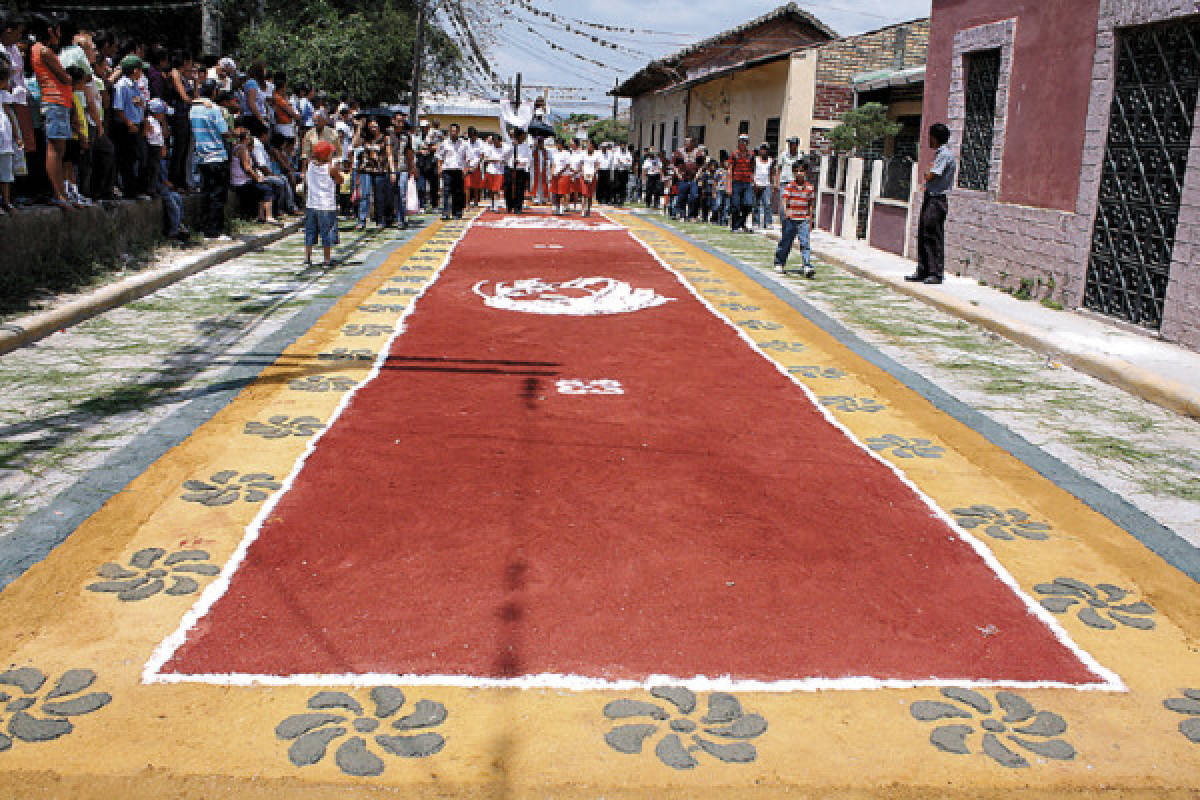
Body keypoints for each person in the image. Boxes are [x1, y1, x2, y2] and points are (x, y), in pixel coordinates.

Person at [31, 13, 76, 210]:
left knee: (59, 149)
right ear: (50, 31)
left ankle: (61, 193)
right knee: (55, 149)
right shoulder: (44, 51)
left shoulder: (38, 50)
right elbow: (65, 77)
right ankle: (58, 193)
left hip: (57, 103)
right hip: (54, 102)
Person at [907, 122, 956, 285]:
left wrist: (927, 172)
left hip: (937, 199)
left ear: (935, 138)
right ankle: (923, 270)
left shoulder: (945, 155)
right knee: (923, 234)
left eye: (930, 137)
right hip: (931, 197)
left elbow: (931, 175)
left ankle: (935, 272)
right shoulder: (939, 154)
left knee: (933, 235)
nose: (928, 140)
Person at [189, 78, 229, 240]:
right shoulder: (214, 109)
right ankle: (215, 231)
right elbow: (224, 132)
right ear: (214, 92)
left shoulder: (193, 109)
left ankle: (204, 228)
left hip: (202, 157)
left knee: (206, 193)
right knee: (218, 195)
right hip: (217, 156)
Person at [775, 159, 815, 278]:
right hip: (791, 219)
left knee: (805, 243)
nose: (799, 173)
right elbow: (785, 200)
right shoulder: (789, 186)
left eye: (802, 171)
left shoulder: (809, 188)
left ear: (806, 172)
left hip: (804, 219)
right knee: (786, 242)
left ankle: (807, 265)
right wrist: (786, 212)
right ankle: (779, 262)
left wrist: (810, 219)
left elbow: (811, 205)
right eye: (796, 171)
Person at [304, 139, 342, 266]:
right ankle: (326, 259)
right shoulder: (330, 168)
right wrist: (336, 167)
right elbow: (340, 180)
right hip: (326, 205)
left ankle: (307, 257)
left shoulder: (310, 165)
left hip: (311, 204)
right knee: (327, 232)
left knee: (310, 232)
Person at [352, 117, 391, 228]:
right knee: (365, 194)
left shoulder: (384, 138)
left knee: (379, 196)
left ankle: (379, 220)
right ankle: (362, 220)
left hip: (380, 169)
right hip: (365, 169)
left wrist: (391, 169)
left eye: (375, 126)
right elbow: (354, 144)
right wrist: (359, 127)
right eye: (370, 126)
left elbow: (388, 154)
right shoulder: (365, 137)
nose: (373, 129)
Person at [230, 126, 274, 223]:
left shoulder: (235, 147)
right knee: (267, 189)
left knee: (263, 187)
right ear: (246, 138)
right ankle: (268, 216)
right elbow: (247, 168)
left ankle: (261, 216)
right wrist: (257, 178)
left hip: (237, 181)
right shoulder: (242, 149)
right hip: (242, 182)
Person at [436, 122, 468, 219]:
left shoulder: (463, 144)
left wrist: (466, 169)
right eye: (452, 131)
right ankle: (446, 212)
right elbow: (439, 157)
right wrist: (439, 168)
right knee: (446, 191)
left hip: (458, 170)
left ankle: (457, 212)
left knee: (457, 192)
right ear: (449, 131)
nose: (453, 133)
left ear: (458, 131)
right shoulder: (444, 143)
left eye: (455, 131)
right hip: (447, 170)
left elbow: (467, 157)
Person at [0, 50, 17, 214]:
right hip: (3, 135)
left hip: (4, 136)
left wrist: (17, 135)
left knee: (6, 171)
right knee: (4, 171)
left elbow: (9, 113)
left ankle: (6, 201)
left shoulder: (4, 95)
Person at [728, 134, 755, 232]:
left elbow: (752, 169)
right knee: (736, 205)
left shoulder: (751, 155)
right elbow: (730, 170)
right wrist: (729, 186)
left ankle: (740, 223)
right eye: (741, 141)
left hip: (747, 182)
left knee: (748, 204)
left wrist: (753, 181)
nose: (743, 143)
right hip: (736, 182)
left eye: (745, 141)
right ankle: (735, 226)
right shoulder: (734, 155)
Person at [504, 127, 531, 214]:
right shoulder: (510, 144)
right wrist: (512, 147)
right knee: (508, 188)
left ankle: (518, 207)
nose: (524, 137)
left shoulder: (526, 146)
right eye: (523, 136)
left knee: (520, 189)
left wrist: (520, 161)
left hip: (520, 170)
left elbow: (529, 159)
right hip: (510, 169)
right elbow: (505, 156)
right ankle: (509, 205)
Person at [752, 143, 774, 229]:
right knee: (756, 204)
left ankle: (768, 222)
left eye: (765, 149)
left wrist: (772, 185)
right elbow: (752, 171)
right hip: (757, 184)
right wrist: (754, 183)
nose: (764, 151)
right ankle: (756, 222)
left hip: (766, 184)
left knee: (767, 204)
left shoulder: (770, 160)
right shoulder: (755, 160)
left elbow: (771, 173)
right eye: (762, 149)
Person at [578, 138, 600, 216]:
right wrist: (583, 173)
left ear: (592, 146)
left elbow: (597, 165)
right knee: (584, 193)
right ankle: (583, 209)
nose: (588, 146)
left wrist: (593, 173)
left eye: (589, 144)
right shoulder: (583, 154)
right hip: (584, 175)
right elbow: (581, 164)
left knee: (590, 194)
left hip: (592, 176)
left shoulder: (596, 154)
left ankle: (588, 210)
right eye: (587, 144)